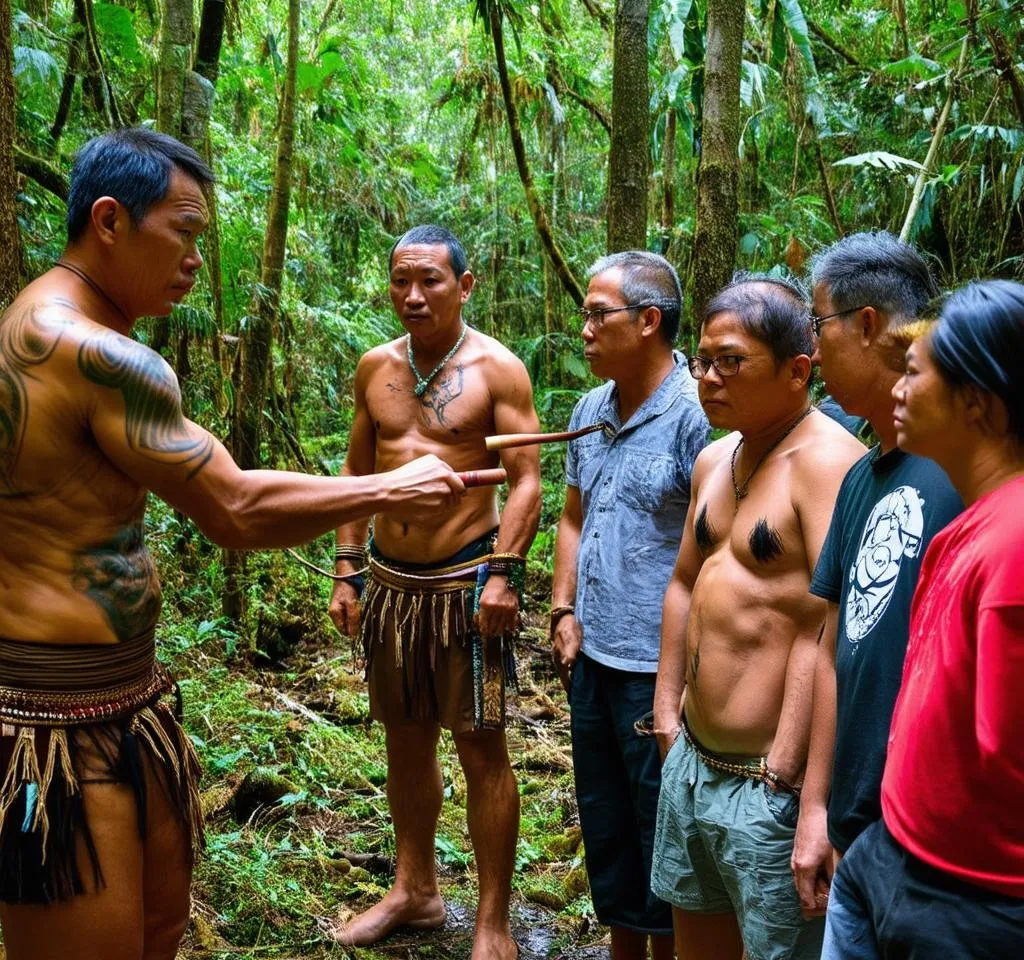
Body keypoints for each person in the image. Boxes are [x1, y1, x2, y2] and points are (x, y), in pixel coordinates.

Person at [0, 130, 464, 960]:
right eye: (183, 234)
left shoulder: (45, 321)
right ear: (110, 220)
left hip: (125, 702)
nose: (193, 261)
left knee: (158, 932)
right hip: (53, 727)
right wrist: (389, 487)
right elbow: (236, 508)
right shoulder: (90, 350)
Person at [327, 225, 541, 960]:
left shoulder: (498, 370)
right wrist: (346, 568)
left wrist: (504, 572)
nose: (412, 297)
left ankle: (493, 921)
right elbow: (358, 476)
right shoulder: (374, 368)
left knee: (482, 749)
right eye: (400, 282)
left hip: (464, 585)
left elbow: (529, 483)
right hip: (390, 584)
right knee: (404, 738)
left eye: (431, 282)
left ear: (465, 285)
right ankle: (414, 891)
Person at [650, 275, 865, 960]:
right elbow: (684, 581)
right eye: (701, 360)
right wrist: (664, 711)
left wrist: (812, 802)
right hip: (693, 763)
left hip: (772, 785)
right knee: (696, 947)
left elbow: (834, 628)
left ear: (798, 370)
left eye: (731, 362)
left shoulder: (831, 466)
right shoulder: (717, 457)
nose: (709, 378)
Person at [823, 280, 1024, 959]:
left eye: (913, 374)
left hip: (969, 899)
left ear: (978, 401)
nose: (897, 390)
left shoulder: (1013, 544)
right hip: (891, 854)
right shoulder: (965, 526)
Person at [792, 232, 962, 918]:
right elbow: (834, 647)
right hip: (858, 823)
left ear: (867, 324)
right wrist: (818, 810)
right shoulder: (861, 476)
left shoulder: (965, 470)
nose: (813, 344)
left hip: (934, 835)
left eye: (818, 323)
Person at [550, 252, 709, 960]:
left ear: (649, 321)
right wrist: (562, 610)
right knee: (606, 822)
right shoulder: (591, 410)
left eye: (596, 313)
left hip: (659, 669)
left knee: (661, 832)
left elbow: (714, 550)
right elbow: (572, 518)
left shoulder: (696, 416)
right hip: (593, 655)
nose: (583, 328)